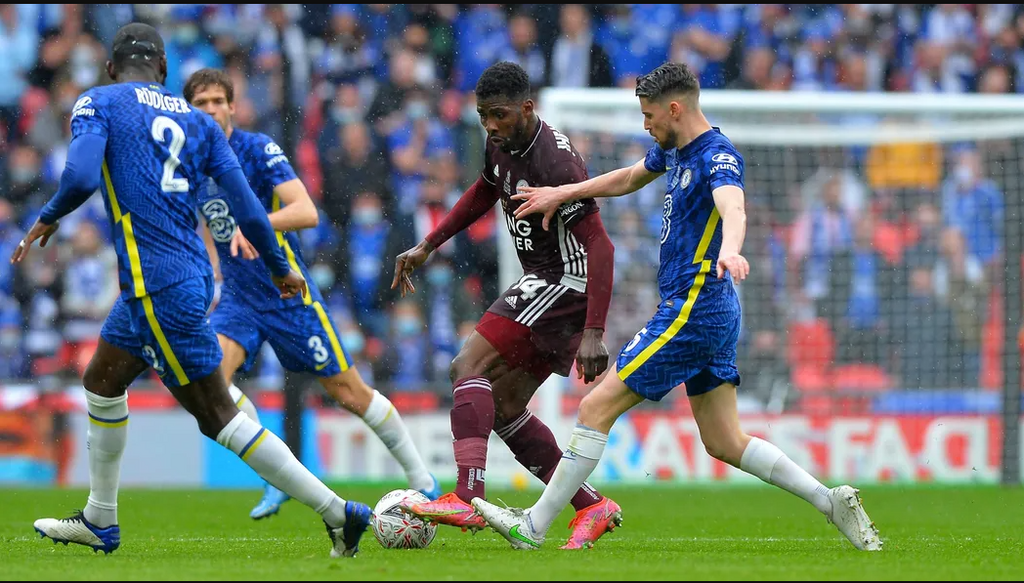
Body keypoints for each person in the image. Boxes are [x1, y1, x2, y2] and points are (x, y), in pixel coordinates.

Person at [471, 62, 883, 552]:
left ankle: (532, 527)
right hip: (710, 309)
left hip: (695, 305)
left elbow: (734, 206)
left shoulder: (717, 155)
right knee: (724, 440)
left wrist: (732, 248)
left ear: (674, 108)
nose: (645, 125)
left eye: (649, 116)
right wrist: (564, 192)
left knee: (595, 406)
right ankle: (830, 501)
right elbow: (627, 178)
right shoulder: (675, 152)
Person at [14, 23, 371, 558]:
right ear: (164, 70)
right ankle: (99, 518)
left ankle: (337, 512)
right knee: (103, 379)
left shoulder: (99, 101)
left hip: (158, 283)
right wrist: (278, 266)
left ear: (112, 68)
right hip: (188, 275)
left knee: (216, 414)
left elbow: (84, 176)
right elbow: (250, 208)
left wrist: (48, 217)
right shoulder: (199, 123)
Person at [184, 68, 440, 520]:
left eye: (216, 102)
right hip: (240, 299)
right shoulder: (190, 163)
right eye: (199, 103)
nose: (209, 110)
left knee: (349, 392)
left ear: (231, 105)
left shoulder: (257, 149)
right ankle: (276, 477)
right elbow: (209, 222)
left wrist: (257, 224)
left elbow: (305, 212)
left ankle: (423, 480)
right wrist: (214, 266)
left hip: (288, 295)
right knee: (212, 384)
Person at [391, 61, 621, 549]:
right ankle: (592, 505)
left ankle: (465, 496)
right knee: (505, 405)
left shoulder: (556, 163)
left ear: (527, 108)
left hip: (565, 281)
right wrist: (428, 244)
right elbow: (483, 190)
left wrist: (594, 332)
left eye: (499, 115)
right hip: (545, 281)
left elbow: (600, 246)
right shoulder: (501, 143)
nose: (491, 126)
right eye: (482, 116)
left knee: (466, 364)